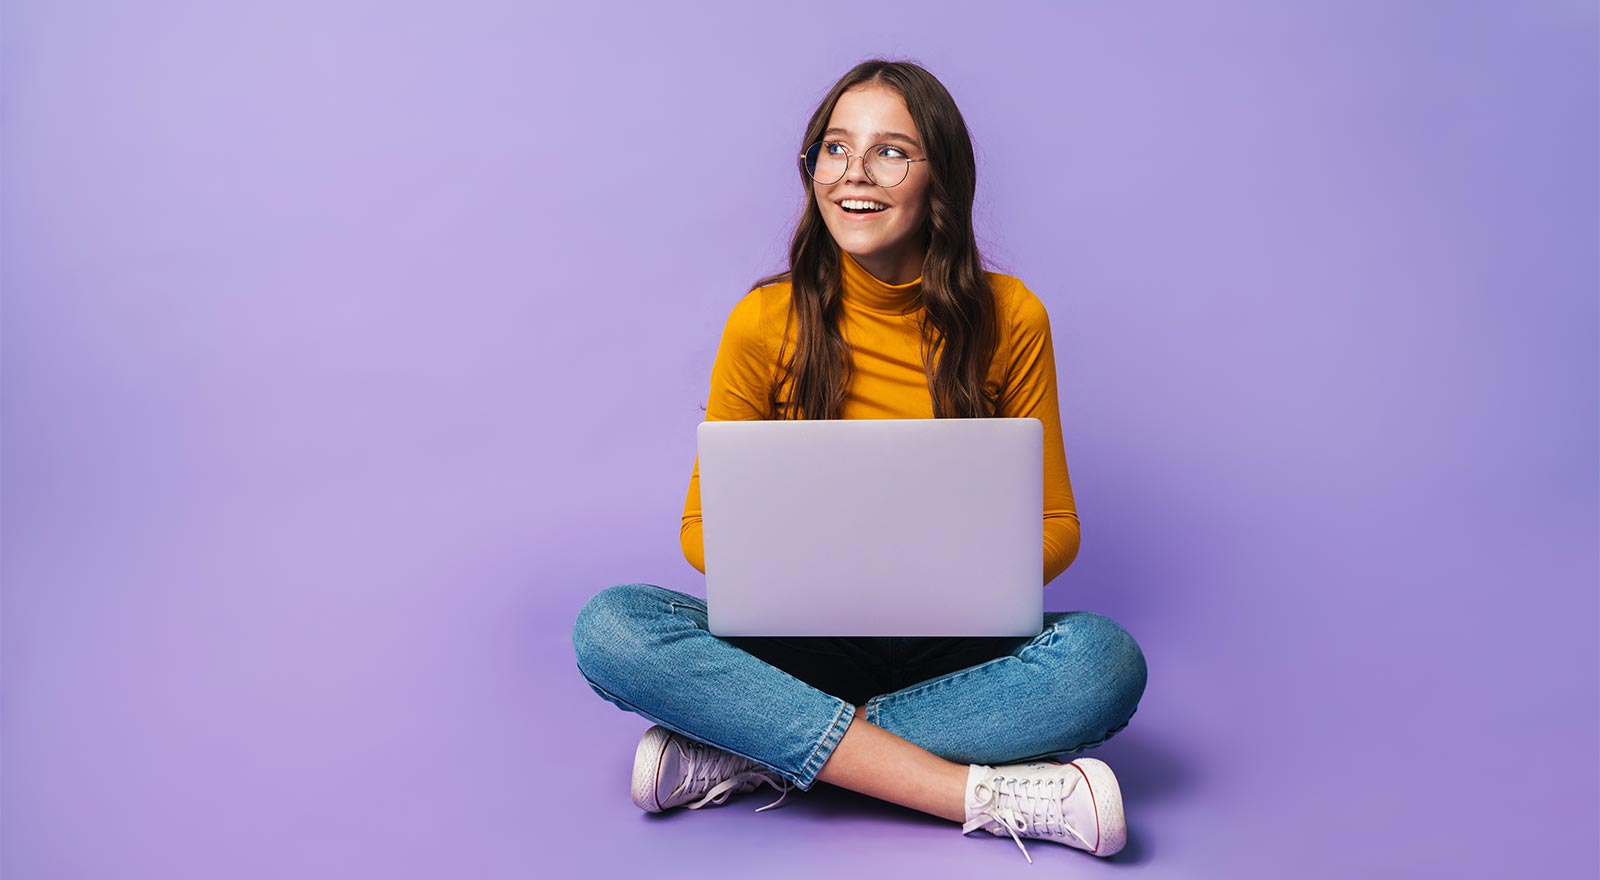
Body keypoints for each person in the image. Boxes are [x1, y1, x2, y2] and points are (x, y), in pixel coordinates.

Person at [571, 59, 1148, 864]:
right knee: (611, 626)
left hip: (957, 645)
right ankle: (979, 795)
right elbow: (703, 534)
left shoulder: (1012, 316)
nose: (853, 175)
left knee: (1103, 663)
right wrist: (815, 566)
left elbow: (1058, 529)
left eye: (889, 152)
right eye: (833, 149)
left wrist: (944, 571)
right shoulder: (763, 320)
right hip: (803, 644)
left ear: (939, 176)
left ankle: (747, 748)